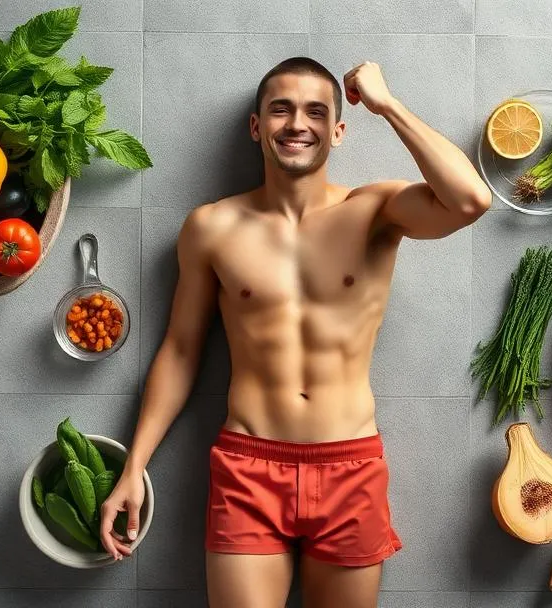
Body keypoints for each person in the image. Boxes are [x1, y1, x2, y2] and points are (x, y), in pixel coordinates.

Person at [99, 57, 491, 607]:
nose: (296, 123)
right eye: (280, 110)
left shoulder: (374, 210)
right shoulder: (211, 227)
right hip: (248, 466)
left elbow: (471, 200)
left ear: (338, 130)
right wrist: (134, 466)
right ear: (257, 127)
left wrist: (387, 105)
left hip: (349, 463)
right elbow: (183, 350)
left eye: (315, 111)